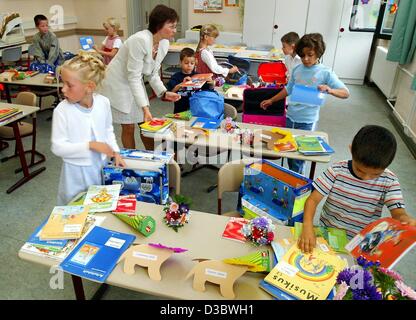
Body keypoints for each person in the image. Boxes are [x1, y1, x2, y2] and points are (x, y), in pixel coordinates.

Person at [298, 125, 416, 253]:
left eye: (375, 174)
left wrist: (404, 219)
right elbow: (312, 200)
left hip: (362, 241)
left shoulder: (390, 180)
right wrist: (307, 225)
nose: (366, 177)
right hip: (329, 233)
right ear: (351, 150)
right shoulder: (337, 170)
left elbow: (398, 213)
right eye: (359, 170)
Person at [260, 33, 350, 174]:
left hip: (307, 121)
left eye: (310, 55)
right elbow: (288, 89)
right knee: (289, 152)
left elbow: (345, 93)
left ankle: (298, 182)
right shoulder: (297, 69)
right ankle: (290, 178)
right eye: (302, 55)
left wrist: (330, 90)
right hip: (291, 117)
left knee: (300, 157)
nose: (306, 59)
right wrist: (272, 100)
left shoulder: (325, 72)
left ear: (318, 53)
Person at [100, 4, 181, 149]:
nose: (175, 30)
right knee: (129, 126)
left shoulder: (164, 43)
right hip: (118, 82)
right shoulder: (140, 40)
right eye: (172, 26)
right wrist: (145, 107)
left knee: (146, 124)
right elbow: (133, 76)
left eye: (176, 26)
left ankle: (151, 158)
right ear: (159, 25)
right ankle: (131, 161)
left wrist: (163, 92)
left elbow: (152, 72)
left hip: (133, 81)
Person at [51, 52, 125, 206]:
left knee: (99, 206)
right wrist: (90, 145)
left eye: (69, 85)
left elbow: (107, 130)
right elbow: (58, 147)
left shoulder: (103, 103)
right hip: (75, 174)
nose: (63, 89)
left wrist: (116, 151)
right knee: (74, 211)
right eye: (62, 83)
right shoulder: (62, 110)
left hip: (100, 168)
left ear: (89, 87)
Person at [166, 47, 196, 114]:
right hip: (180, 109)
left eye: (192, 63)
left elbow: (207, 89)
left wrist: (210, 82)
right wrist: (181, 84)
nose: (189, 65)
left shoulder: (198, 75)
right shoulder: (176, 77)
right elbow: (171, 92)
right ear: (180, 63)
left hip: (195, 108)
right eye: (186, 63)